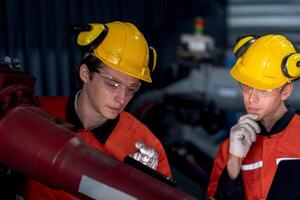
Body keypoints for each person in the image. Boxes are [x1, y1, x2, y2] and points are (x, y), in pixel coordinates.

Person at [25, 21, 172, 199]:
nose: (122, 98)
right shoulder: (34, 114)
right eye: (113, 84)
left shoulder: (145, 149)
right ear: (86, 74)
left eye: (131, 89)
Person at [207, 34, 300, 199]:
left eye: (263, 89)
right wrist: (234, 163)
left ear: (285, 91)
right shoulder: (229, 149)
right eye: (247, 86)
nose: (251, 98)